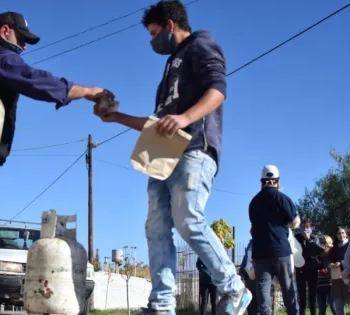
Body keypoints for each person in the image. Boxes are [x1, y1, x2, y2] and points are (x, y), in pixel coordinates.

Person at [93, 1, 251, 314]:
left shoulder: (201, 46)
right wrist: (117, 117)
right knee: (155, 226)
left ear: (169, 25)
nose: (152, 42)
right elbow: (157, 123)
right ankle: (162, 304)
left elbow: (218, 90)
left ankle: (234, 288)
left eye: (153, 34)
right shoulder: (168, 70)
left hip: (195, 149)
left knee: (188, 218)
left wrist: (185, 118)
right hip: (164, 156)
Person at [0, 11, 106, 221]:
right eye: (21, 40)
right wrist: (87, 91)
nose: (24, 47)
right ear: (5, 31)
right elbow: (35, 81)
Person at [248, 165, 300, 315]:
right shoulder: (283, 198)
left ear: (262, 182)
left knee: (263, 293)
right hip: (281, 250)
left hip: (260, 253)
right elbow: (295, 222)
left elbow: (254, 224)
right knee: (288, 288)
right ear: (277, 181)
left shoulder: (254, 202)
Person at [294, 219, 320, 315]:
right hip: (300, 270)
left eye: (307, 227)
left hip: (312, 270)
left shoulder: (315, 238)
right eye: (303, 227)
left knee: (312, 296)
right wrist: (308, 255)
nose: (305, 229)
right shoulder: (296, 238)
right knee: (302, 297)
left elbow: (316, 251)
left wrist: (308, 240)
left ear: (311, 228)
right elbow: (297, 253)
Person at [329, 227, 350, 315]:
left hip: (349, 276)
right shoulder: (334, 247)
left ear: (346, 234)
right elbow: (329, 259)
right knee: (338, 304)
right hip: (337, 277)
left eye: (342, 233)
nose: (341, 235)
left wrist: (341, 263)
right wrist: (331, 264)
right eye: (339, 233)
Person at [316, 235, 336, 315]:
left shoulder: (333, 253)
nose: (323, 244)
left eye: (324, 242)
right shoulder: (317, 254)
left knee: (333, 305)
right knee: (321, 308)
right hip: (320, 283)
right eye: (321, 242)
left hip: (332, 283)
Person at [239, 230, 258, 315]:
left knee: (259, 302)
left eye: (252, 228)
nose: (250, 230)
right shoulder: (250, 243)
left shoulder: (261, 242)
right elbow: (246, 258)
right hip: (248, 277)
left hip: (257, 276)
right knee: (250, 301)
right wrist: (241, 271)